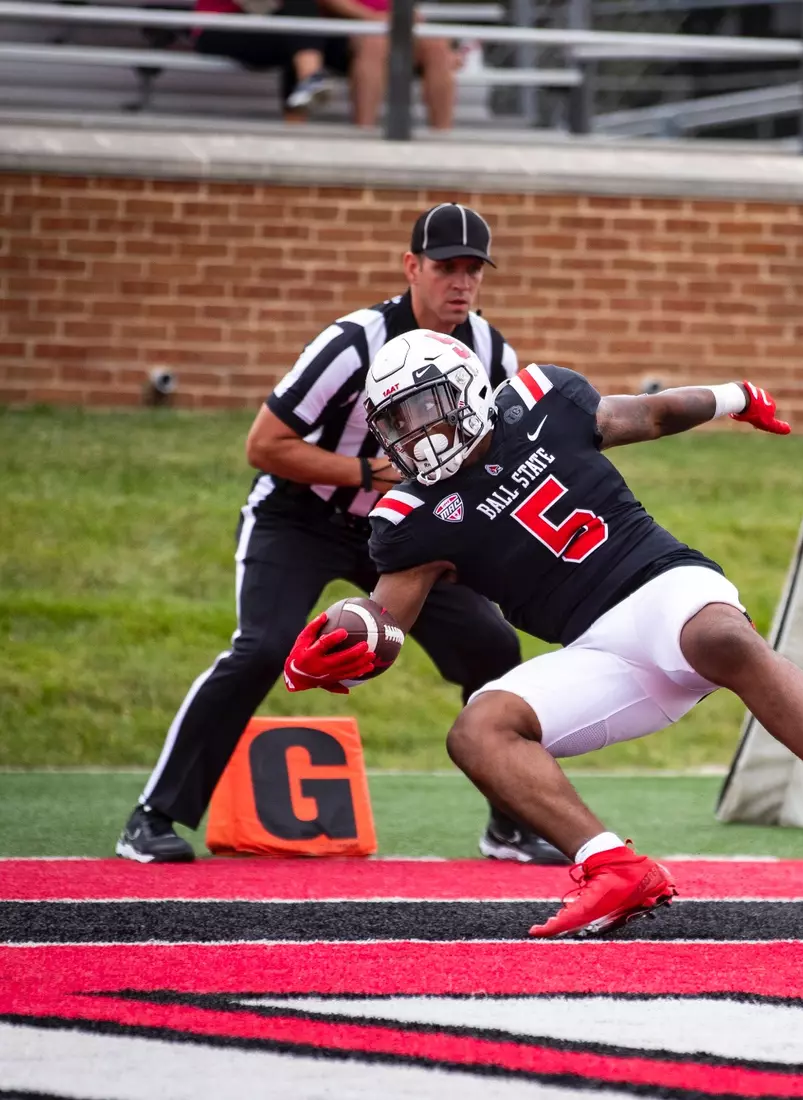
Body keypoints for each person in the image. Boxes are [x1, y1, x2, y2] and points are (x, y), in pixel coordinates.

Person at [283, 334, 803, 938]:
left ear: (469, 391)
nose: (414, 432)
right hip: (596, 650)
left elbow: (654, 413)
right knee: (478, 730)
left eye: (424, 408)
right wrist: (344, 647)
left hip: (663, 586)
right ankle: (611, 866)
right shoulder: (409, 516)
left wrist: (736, 395)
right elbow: (388, 619)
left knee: (721, 637)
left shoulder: (540, 399)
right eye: (398, 420)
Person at [118, 203, 562, 867]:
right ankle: (152, 817)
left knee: (494, 648)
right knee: (263, 647)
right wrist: (366, 471)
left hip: (404, 532)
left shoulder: (493, 352)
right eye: (446, 268)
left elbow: (489, 459)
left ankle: (511, 824)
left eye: (474, 270)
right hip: (300, 516)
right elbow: (264, 444)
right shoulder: (352, 342)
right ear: (412, 266)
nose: (461, 284)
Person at [322, 0, 459, 131]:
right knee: (375, 44)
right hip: (346, 26)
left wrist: (407, 14)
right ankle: (364, 129)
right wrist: (373, 17)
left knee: (438, 46)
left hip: (391, 25)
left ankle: (442, 132)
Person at [193, 0, 336, 122]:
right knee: (300, 29)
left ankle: (309, 84)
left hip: (279, 27)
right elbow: (258, 5)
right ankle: (310, 80)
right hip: (220, 26)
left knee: (302, 39)